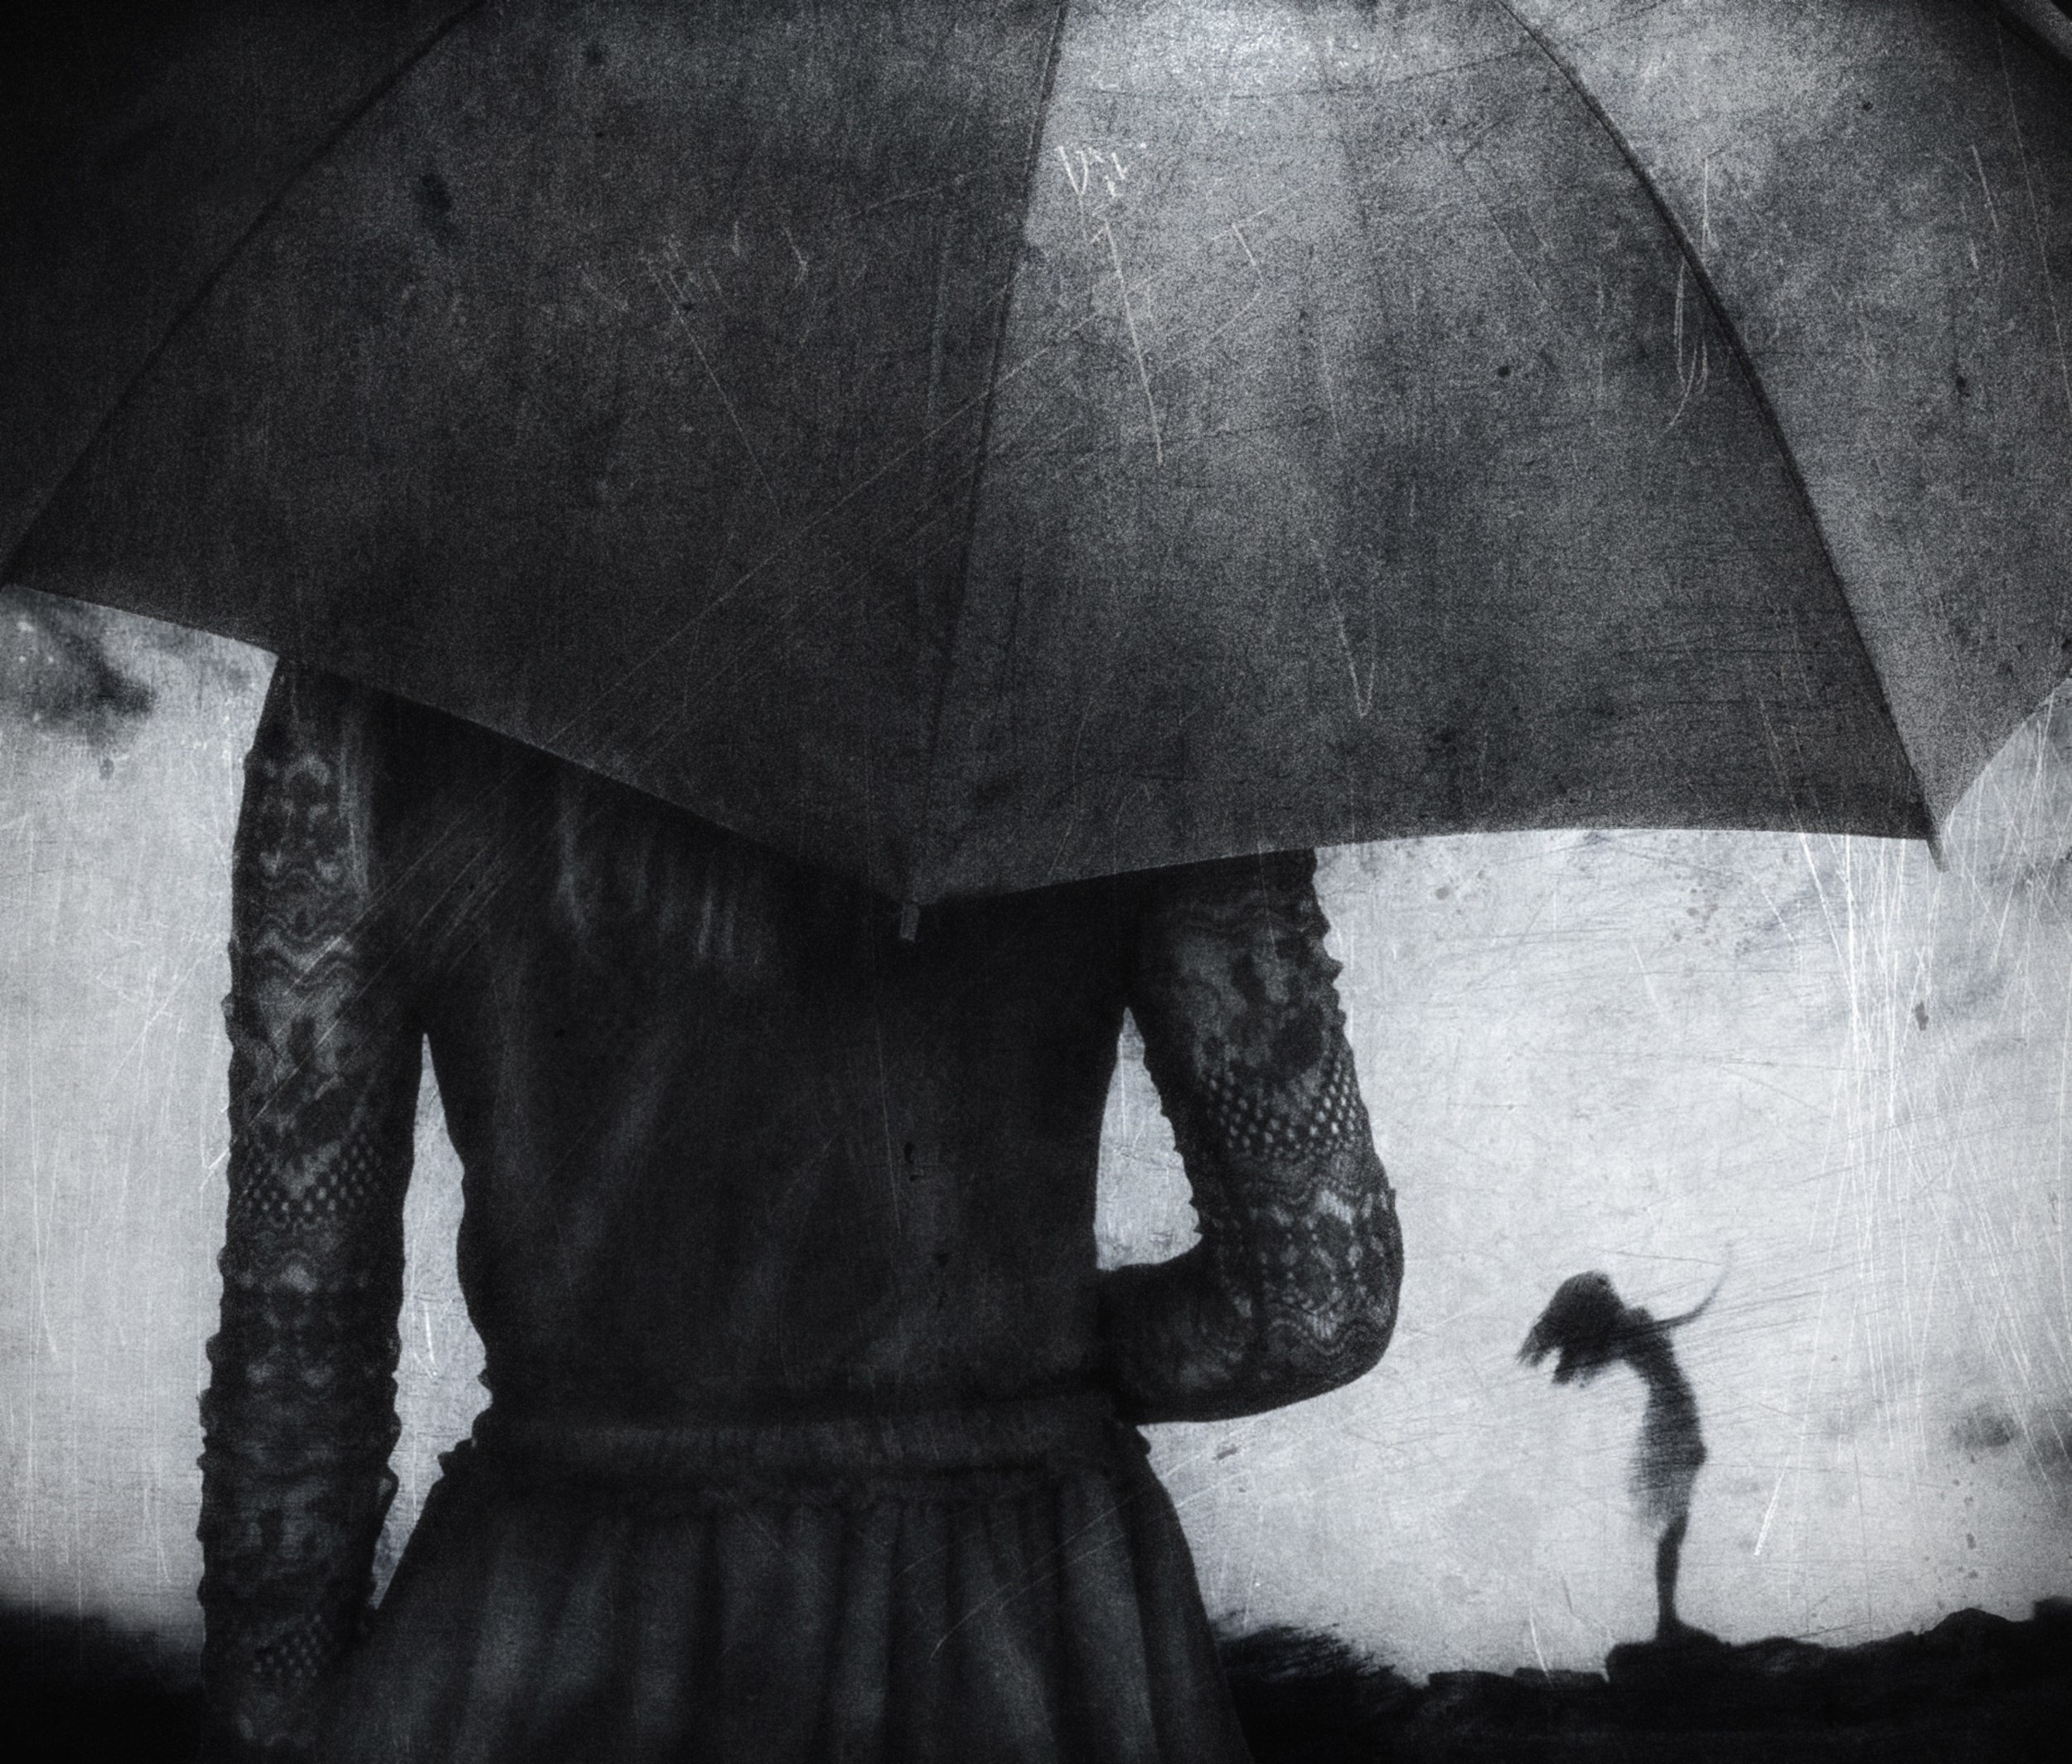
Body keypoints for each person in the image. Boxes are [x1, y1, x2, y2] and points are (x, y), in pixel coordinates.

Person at [198, 664, 1403, 1762]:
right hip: (1011, 1641)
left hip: (552, 1634)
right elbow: (1318, 1305)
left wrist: (280, 1722)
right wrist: (1005, 1348)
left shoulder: (377, 663)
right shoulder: (1144, 660)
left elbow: (296, 1369)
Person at [1518, 1270, 1720, 1643]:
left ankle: (1668, 1618)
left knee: (1674, 1524)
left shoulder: (1619, 1332)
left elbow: (1675, 1326)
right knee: (1674, 1524)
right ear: (1595, 1303)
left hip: (1668, 1417)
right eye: (1603, 1288)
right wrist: (1714, 1289)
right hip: (1674, 1419)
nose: (1611, 1289)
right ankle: (1667, 1620)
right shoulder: (1631, 1323)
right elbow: (1679, 1325)